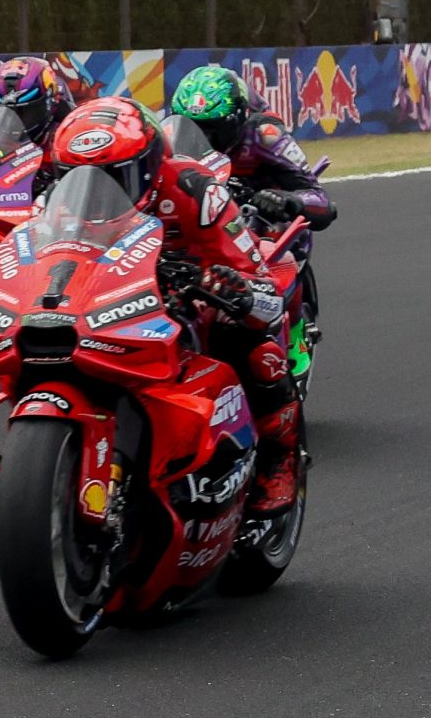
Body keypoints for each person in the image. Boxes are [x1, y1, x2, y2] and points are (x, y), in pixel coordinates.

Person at [45, 95, 303, 530]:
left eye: (114, 178)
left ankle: (279, 462)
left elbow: (264, 294)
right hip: (99, 302)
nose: (97, 193)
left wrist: (231, 290)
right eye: (80, 178)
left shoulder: (195, 191)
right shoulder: (56, 198)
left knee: (256, 348)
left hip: (187, 302)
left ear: (149, 165)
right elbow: (29, 256)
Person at [169, 64, 337, 231]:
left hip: (258, 222)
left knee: (280, 232)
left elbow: (322, 203)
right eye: (191, 127)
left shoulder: (265, 135)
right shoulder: (171, 138)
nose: (200, 138)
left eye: (210, 130)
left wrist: (287, 200)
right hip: (196, 220)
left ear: (235, 120)